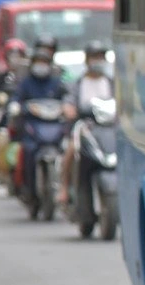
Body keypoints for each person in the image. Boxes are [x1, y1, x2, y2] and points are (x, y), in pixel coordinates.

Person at [8, 46, 71, 203]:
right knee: (27, 153)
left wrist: (68, 107)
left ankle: (67, 189)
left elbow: (67, 99)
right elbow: (17, 98)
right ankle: (27, 187)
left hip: (54, 125)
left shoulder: (57, 83)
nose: (41, 65)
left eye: (44, 62)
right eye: (38, 62)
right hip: (33, 125)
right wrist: (16, 106)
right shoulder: (26, 83)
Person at [59, 42, 114, 208]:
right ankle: (63, 189)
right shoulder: (77, 84)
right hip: (84, 127)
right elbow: (68, 103)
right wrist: (69, 109)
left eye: (101, 57)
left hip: (108, 128)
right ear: (87, 60)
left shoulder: (111, 82)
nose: (98, 61)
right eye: (94, 57)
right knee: (70, 152)